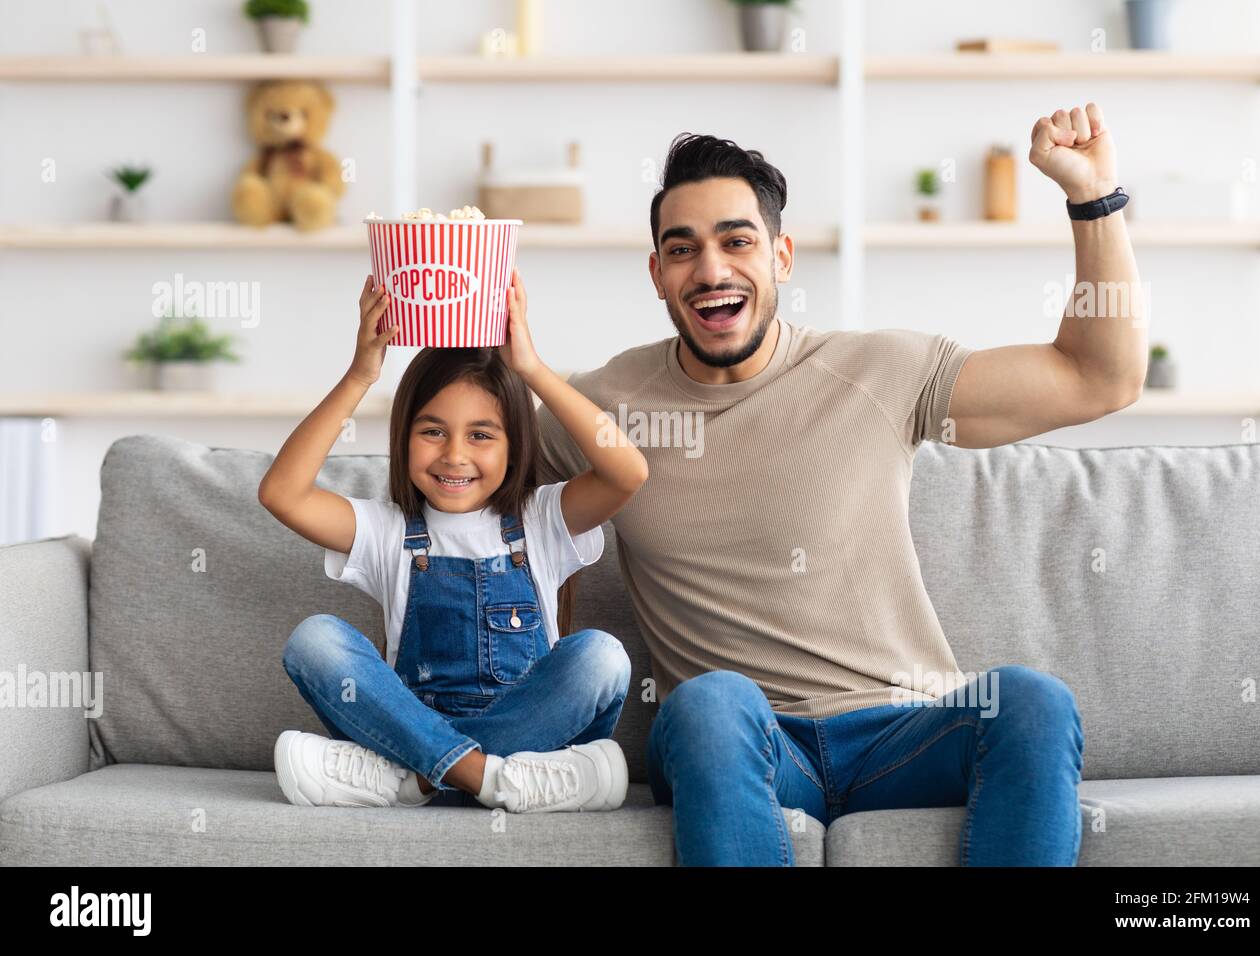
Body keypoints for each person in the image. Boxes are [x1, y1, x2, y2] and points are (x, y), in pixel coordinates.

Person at [537, 105, 1145, 862]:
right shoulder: (597, 408)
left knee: (1030, 700)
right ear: (657, 274)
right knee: (708, 701)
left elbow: (1100, 378)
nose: (712, 270)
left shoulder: (881, 372)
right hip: (745, 742)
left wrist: (1094, 200)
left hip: (902, 734)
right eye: (683, 249)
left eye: (737, 241)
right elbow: (471, 486)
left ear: (782, 257)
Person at [259, 267, 649, 814]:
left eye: (482, 435)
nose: (455, 455)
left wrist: (531, 368)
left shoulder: (540, 520)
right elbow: (282, 492)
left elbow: (626, 471)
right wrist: (358, 376)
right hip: (446, 741)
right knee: (315, 640)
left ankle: (415, 781)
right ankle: (485, 777)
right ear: (404, 436)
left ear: (515, 446)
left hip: (522, 734)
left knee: (601, 657)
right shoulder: (387, 531)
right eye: (433, 430)